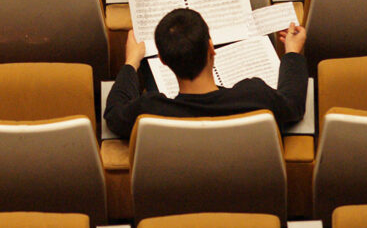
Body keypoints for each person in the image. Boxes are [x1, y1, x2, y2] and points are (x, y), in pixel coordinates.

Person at [104, 8, 308, 138]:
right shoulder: (255, 96)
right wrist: (292, 52)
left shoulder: (150, 111)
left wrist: (131, 62)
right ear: (211, 48)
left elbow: (114, 114)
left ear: (163, 60)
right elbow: (293, 105)